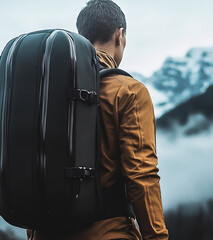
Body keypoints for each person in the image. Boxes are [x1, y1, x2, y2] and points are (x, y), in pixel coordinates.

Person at [28, 0, 168, 239]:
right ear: (119, 35)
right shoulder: (129, 91)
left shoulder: (46, 92)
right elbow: (141, 174)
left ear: (82, 35)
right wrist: (157, 237)